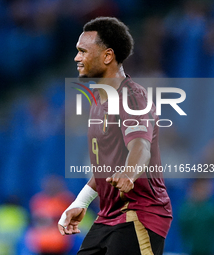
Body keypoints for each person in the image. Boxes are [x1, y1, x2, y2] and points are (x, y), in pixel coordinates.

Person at [58, 17, 172, 255]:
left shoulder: (131, 97)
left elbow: (140, 147)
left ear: (107, 56)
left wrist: (129, 174)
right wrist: (81, 202)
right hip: (108, 217)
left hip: (139, 214)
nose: (76, 58)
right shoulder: (99, 103)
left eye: (83, 51)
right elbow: (105, 169)